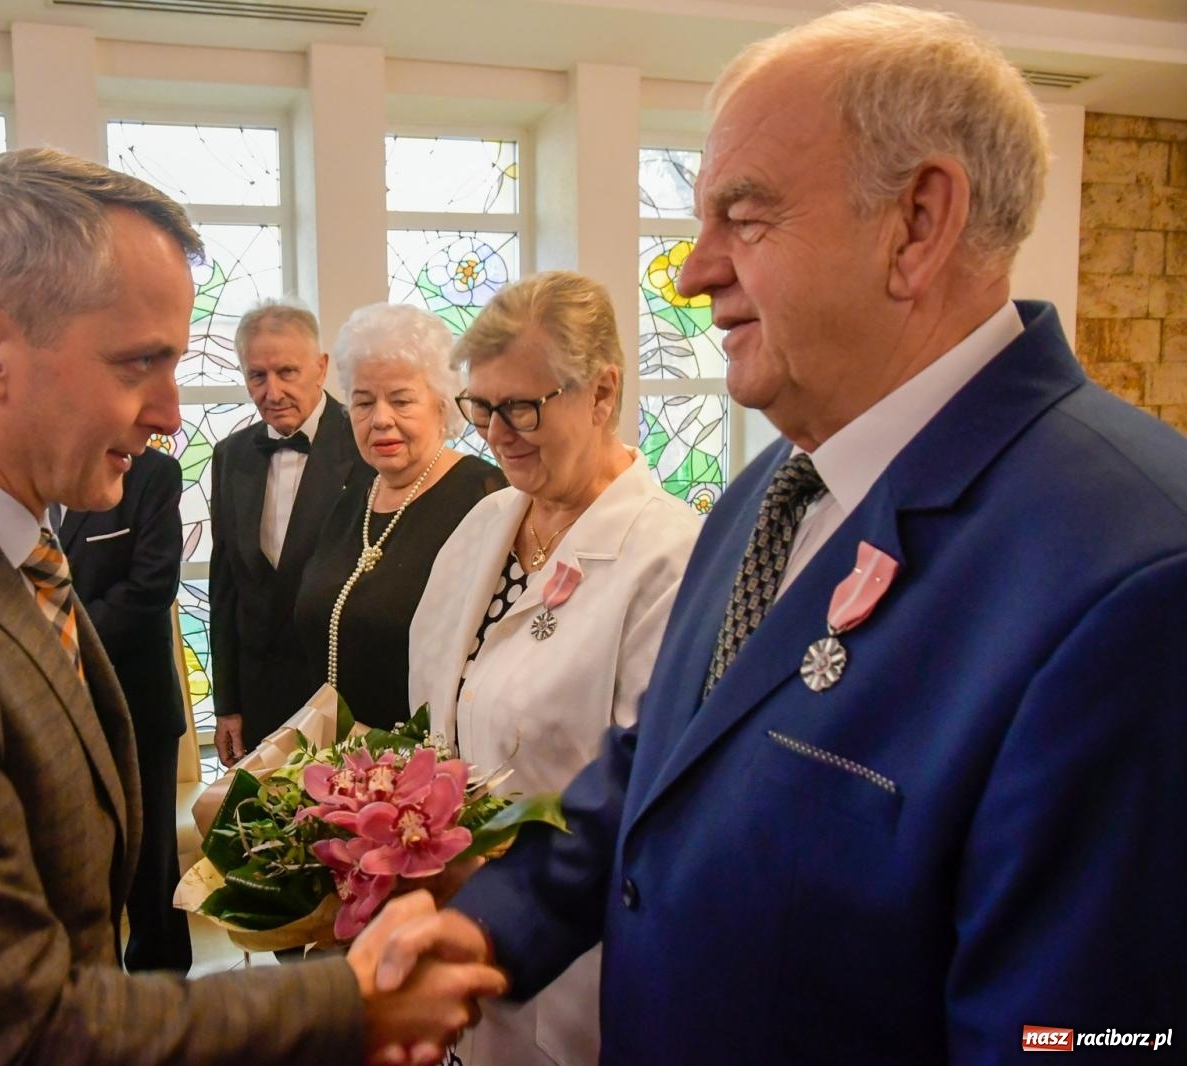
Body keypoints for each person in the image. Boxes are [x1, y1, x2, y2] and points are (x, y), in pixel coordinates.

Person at [375, 5, 1187, 1062]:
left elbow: (1078, 1036)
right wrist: (485, 928)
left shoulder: (1135, 576)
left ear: (917, 224)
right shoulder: (773, 487)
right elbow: (659, 772)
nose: (691, 271)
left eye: (744, 216)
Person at [0, 147, 503, 1066]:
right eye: (139, 364)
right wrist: (349, 1005)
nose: (170, 413)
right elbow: (11, 1034)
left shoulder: (1, 547)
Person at [407, 271, 698, 1065]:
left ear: (602, 391)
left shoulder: (668, 557)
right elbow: (435, 707)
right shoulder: (486, 523)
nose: (499, 434)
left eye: (523, 407)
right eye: (481, 407)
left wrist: (492, 880)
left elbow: (646, 795)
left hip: (576, 955)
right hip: (461, 925)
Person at [294, 304, 505, 730]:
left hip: (430, 755)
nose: (380, 419)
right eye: (363, 402)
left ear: (441, 405)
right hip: (337, 755)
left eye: (401, 400)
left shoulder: (484, 497)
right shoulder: (352, 499)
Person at [209, 301, 371, 765]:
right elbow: (225, 586)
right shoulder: (230, 455)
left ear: (320, 367)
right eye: (257, 376)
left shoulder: (366, 444)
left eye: (287, 372)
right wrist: (228, 706)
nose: (272, 391)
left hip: (345, 699)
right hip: (259, 699)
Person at [60, 444, 193, 974]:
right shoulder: (15, 470)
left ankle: (163, 993)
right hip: (47, 706)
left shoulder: (153, 473)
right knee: (70, 857)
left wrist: (54, 638)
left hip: (136, 701)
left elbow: (151, 585)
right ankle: (91, 990)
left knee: (150, 861)